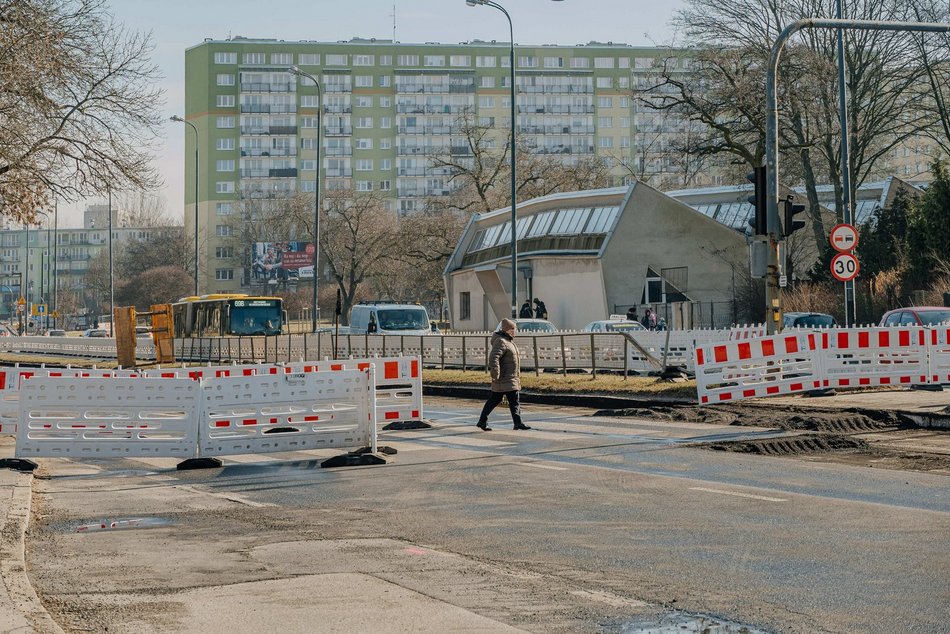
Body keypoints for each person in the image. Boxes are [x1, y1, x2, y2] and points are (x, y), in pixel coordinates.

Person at [476, 318, 531, 431]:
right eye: (512, 329)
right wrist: (495, 372)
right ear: (506, 330)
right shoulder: (501, 341)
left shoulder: (509, 341)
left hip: (511, 378)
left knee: (513, 401)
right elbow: (494, 357)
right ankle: (482, 421)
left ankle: (517, 423)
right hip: (503, 378)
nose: (514, 331)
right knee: (496, 400)